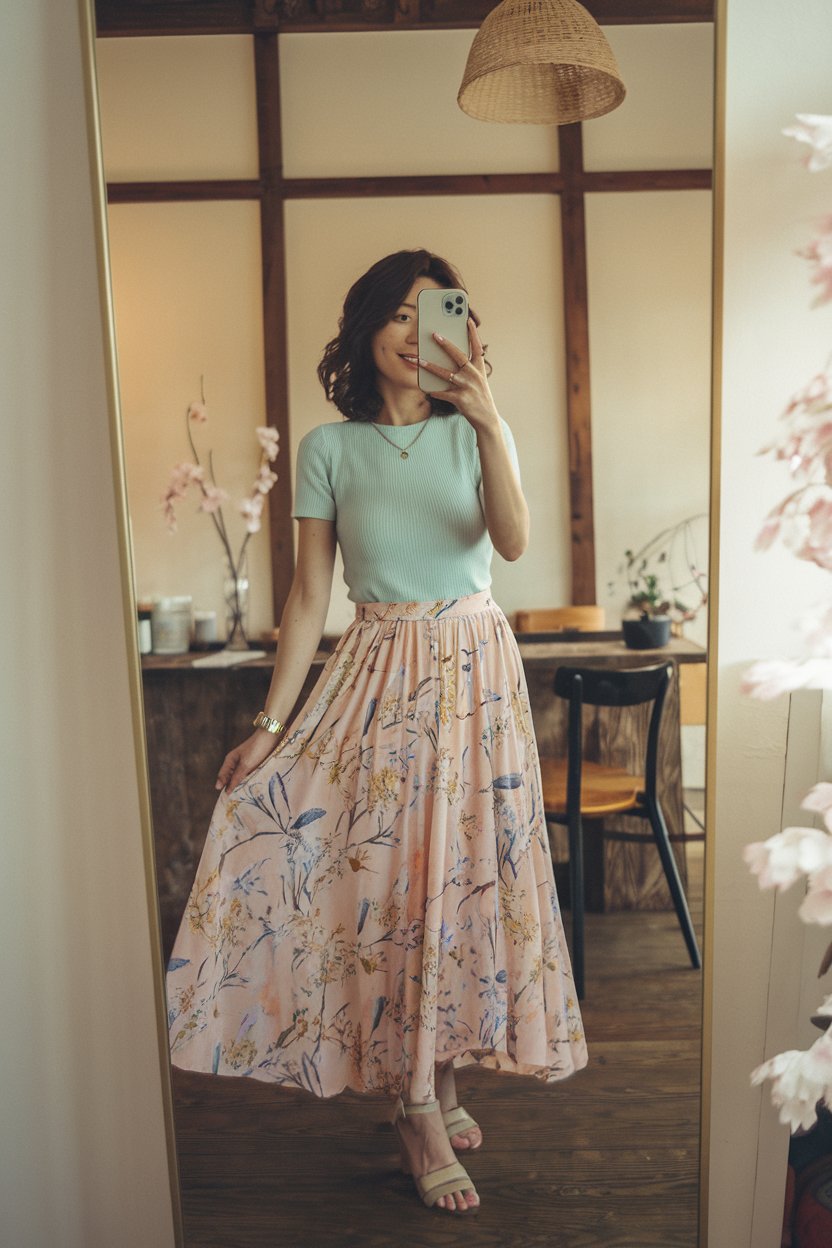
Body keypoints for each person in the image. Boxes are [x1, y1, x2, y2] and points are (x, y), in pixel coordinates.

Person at [165, 249, 588, 1215]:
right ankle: (411, 1105)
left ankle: (436, 1070)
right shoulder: (329, 446)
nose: (412, 332)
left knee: (467, 870)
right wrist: (271, 726)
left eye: (428, 313)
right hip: (379, 671)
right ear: (365, 331)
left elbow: (513, 545)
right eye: (393, 315)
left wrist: (486, 421)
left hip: (478, 675)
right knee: (393, 879)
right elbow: (312, 593)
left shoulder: (477, 428)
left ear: (457, 328)